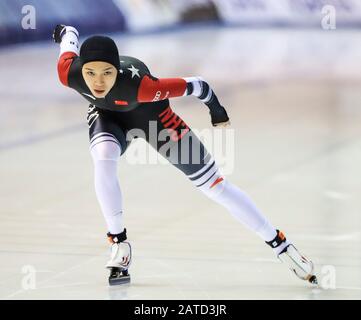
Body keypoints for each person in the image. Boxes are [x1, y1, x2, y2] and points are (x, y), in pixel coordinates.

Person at [53, 24, 317, 285]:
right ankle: (119, 244)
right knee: (103, 156)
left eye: (107, 73)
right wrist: (65, 31)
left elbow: (198, 85)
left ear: (117, 70)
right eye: (90, 73)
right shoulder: (68, 72)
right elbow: (69, 38)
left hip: (154, 119)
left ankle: (280, 245)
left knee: (215, 186)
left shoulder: (142, 86)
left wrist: (218, 111)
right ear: (80, 69)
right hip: (108, 117)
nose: (98, 82)